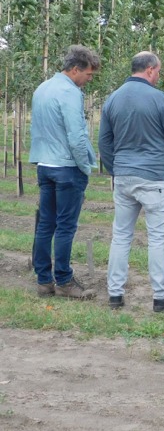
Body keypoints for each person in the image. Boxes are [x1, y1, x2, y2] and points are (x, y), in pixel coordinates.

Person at [100, 52, 164, 312]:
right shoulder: (160, 99)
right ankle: (162, 295)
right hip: (155, 178)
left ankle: (114, 294)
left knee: (120, 235)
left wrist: (115, 169)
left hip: (124, 178)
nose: (159, 76)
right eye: (159, 71)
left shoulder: (113, 99)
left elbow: (104, 141)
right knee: (158, 238)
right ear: (150, 69)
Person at [30, 45, 101, 300]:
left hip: (44, 166)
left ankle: (43, 281)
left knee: (45, 225)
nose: (89, 80)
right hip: (66, 167)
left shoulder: (42, 88)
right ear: (74, 70)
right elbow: (76, 136)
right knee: (65, 227)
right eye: (89, 75)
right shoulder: (70, 92)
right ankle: (64, 280)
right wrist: (85, 167)